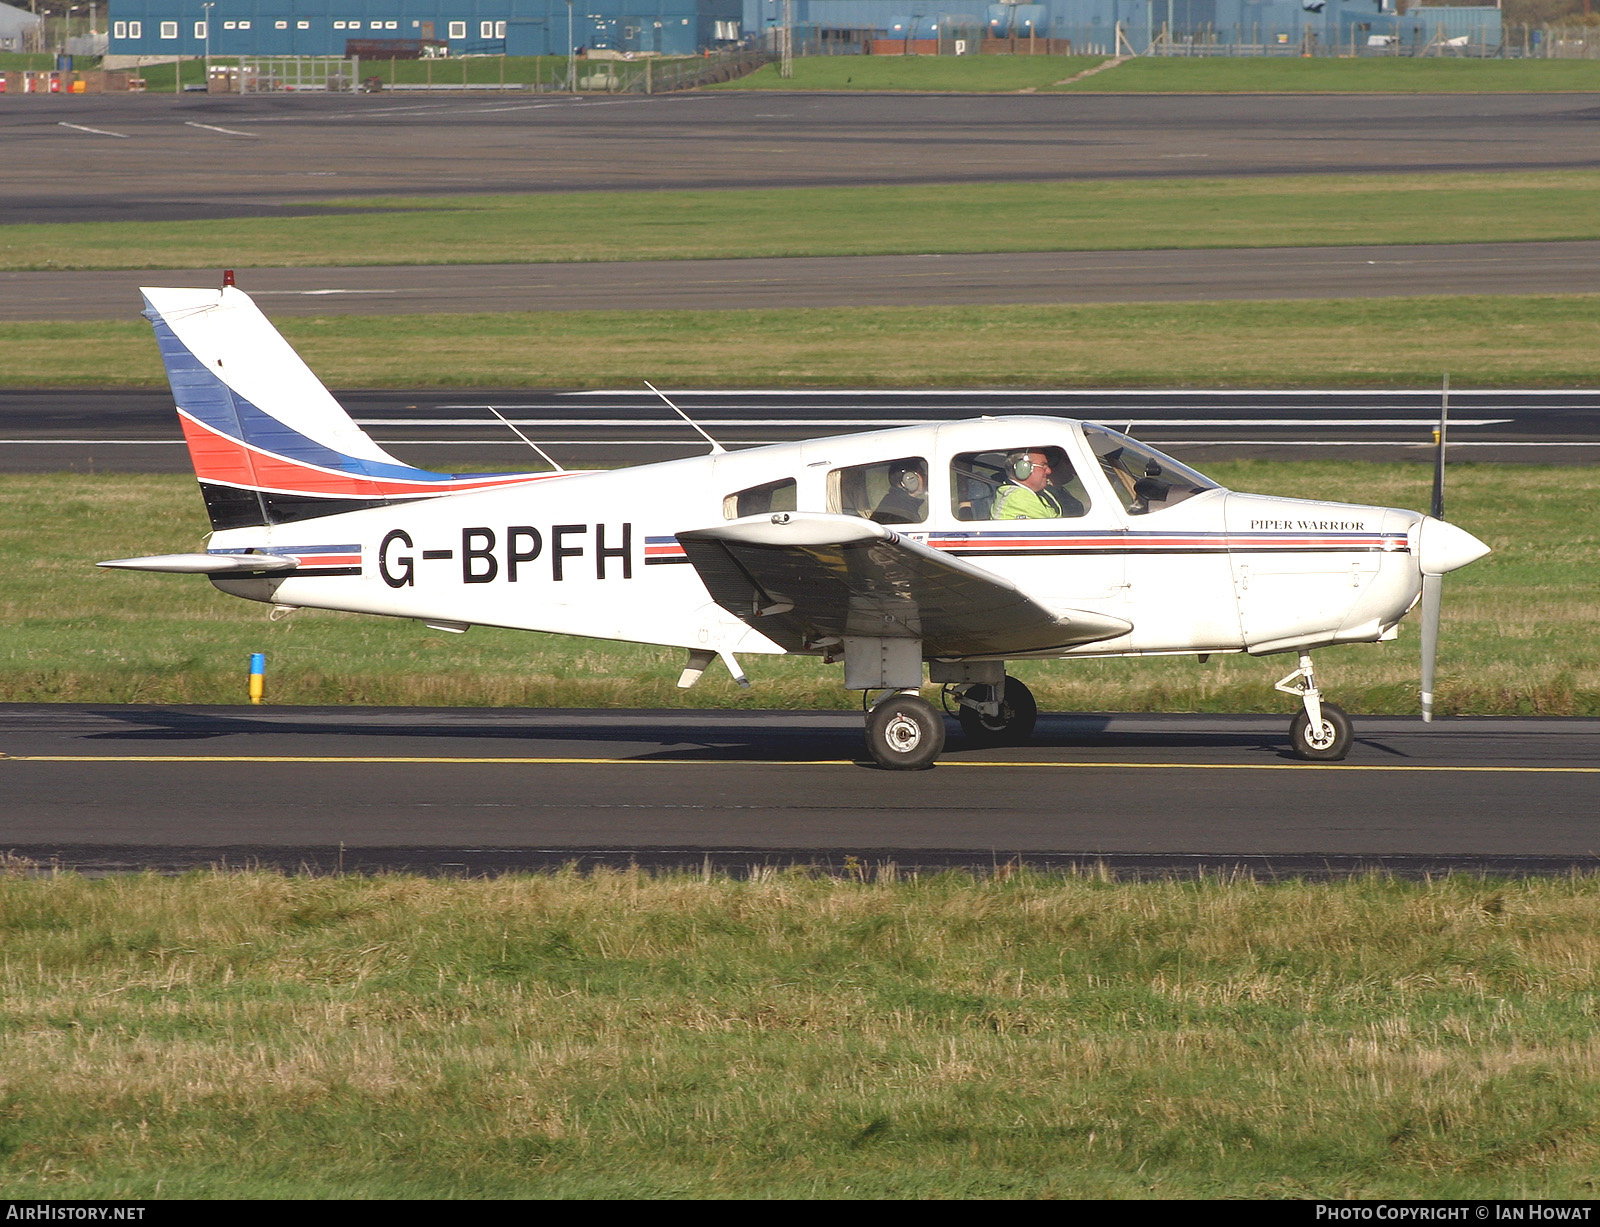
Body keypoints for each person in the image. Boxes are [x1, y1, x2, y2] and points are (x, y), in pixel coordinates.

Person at [993, 450, 1063, 520]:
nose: (1048, 471)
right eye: (1043, 465)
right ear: (1023, 468)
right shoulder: (1018, 498)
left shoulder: (1037, 493)